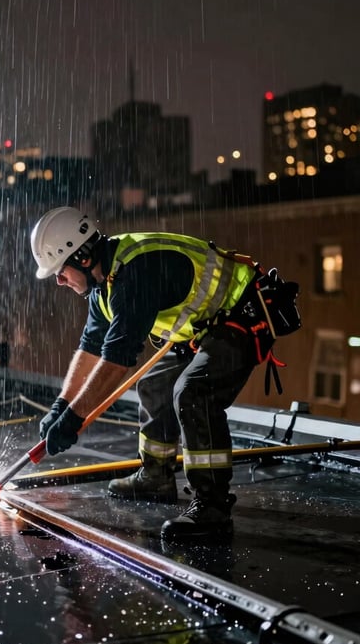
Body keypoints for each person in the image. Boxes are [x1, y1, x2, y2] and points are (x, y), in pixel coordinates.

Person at [30, 207, 298, 541]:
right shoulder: (103, 284)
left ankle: (211, 506)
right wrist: (62, 406)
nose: (59, 280)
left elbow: (117, 359)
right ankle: (156, 476)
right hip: (201, 328)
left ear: (83, 257)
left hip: (241, 314)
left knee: (194, 392)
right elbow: (91, 348)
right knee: (155, 384)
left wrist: (73, 419)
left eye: (60, 270)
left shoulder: (136, 273)